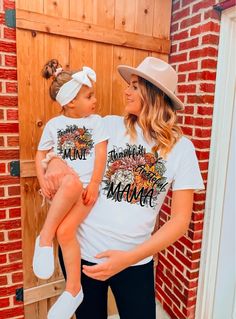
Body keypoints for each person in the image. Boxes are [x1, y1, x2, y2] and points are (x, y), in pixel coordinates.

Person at [44, 57, 204, 319]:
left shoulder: (182, 149)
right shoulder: (106, 125)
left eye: (135, 86)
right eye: (129, 85)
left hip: (135, 262)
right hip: (84, 255)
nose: (126, 91)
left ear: (154, 94)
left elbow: (180, 221)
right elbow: (61, 145)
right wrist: (54, 161)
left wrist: (127, 259)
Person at [32, 59, 108, 319]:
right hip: (65, 189)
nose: (94, 100)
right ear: (71, 101)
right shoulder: (54, 125)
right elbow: (40, 153)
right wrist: (43, 181)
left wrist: (96, 183)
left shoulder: (96, 122)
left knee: (65, 231)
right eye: (89, 96)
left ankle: (73, 288)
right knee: (70, 182)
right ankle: (45, 240)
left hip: (86, 191)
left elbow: (101, 155)